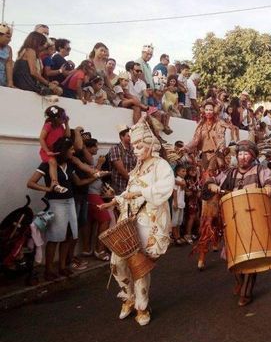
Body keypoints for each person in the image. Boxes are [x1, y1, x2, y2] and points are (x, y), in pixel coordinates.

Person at [98, 118, 174, 326]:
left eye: (139, 146)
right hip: (128, 222)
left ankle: (142, 306)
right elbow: (128, 193)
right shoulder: (137, 169)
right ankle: (128, 297)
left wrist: (141, 191)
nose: (136, 151)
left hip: (148, 222)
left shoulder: (161, 166)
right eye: (134, 147)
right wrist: (114, 201)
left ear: (150, 145)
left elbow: (166, 188)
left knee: (138, 265)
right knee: (116, 263)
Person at [204, 140, 271, 306]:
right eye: (240, 154)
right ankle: (240, 281)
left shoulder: (260, 169)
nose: (243, 157)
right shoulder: (230, 173)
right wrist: (212, 185)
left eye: (246, 154)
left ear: (252, 156)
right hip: (233, 219)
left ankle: (246, 292)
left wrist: (269, 187)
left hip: (254, 219)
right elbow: (213, 180)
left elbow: (270, 180)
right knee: (232, 254)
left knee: (252, 255)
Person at [27, 137, 96, 280]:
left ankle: (62, 266)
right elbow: (31, 183)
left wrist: (95, 176)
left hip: (70, 201)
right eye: (70, 149)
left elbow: (77, 182)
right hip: (56, 203)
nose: (72, 151)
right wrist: (47, 188)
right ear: (64, 150)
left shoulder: (69, 164)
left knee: (69, 235)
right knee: (55, 237)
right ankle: (48, 270)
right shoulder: (48, 164)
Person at [13, 31, 62, 95]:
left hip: (21, 80)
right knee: (57, 91)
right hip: (25, 82)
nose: (43, 46)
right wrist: (48, 83)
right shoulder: (30, 51)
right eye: (42, 44)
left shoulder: (24, 50)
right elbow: (33, 72)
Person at [39, 106, 70, 194]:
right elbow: (41, 138)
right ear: (56, 118)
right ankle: (55, 183)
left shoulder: (61, 127)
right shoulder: (48, 126)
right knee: (52, 162)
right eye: (63, 117)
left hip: (56, 151)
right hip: (46, 151)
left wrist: (66, 124)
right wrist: (47, 151)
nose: (64, 119)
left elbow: (67, 135)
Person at [108, 125, 137, 196]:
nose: (131, 138)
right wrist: (133, 181)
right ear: (121, 137)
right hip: (120, 186)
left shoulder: (134, 148)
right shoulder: (115, 149)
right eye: (128, 136)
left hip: (132, 185)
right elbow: (121, 170)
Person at [171, 164, 187, 245]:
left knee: (179, 221)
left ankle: (179, 235)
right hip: (176, 203)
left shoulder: (182, 180)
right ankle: (175, 237)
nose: (185, 173)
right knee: (175, 221)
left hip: (181, 203)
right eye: (183, 171)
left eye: (185, 171)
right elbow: (174, 192)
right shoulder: (176, 179)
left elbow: (183, 189)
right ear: (177, 172)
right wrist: (175, 202)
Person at [0, 23, 14, 87]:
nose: (10, 40)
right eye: (7, 37)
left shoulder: (8, 49)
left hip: (2, 80)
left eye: (10, 37)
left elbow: (9, 65)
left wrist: (10, 82)